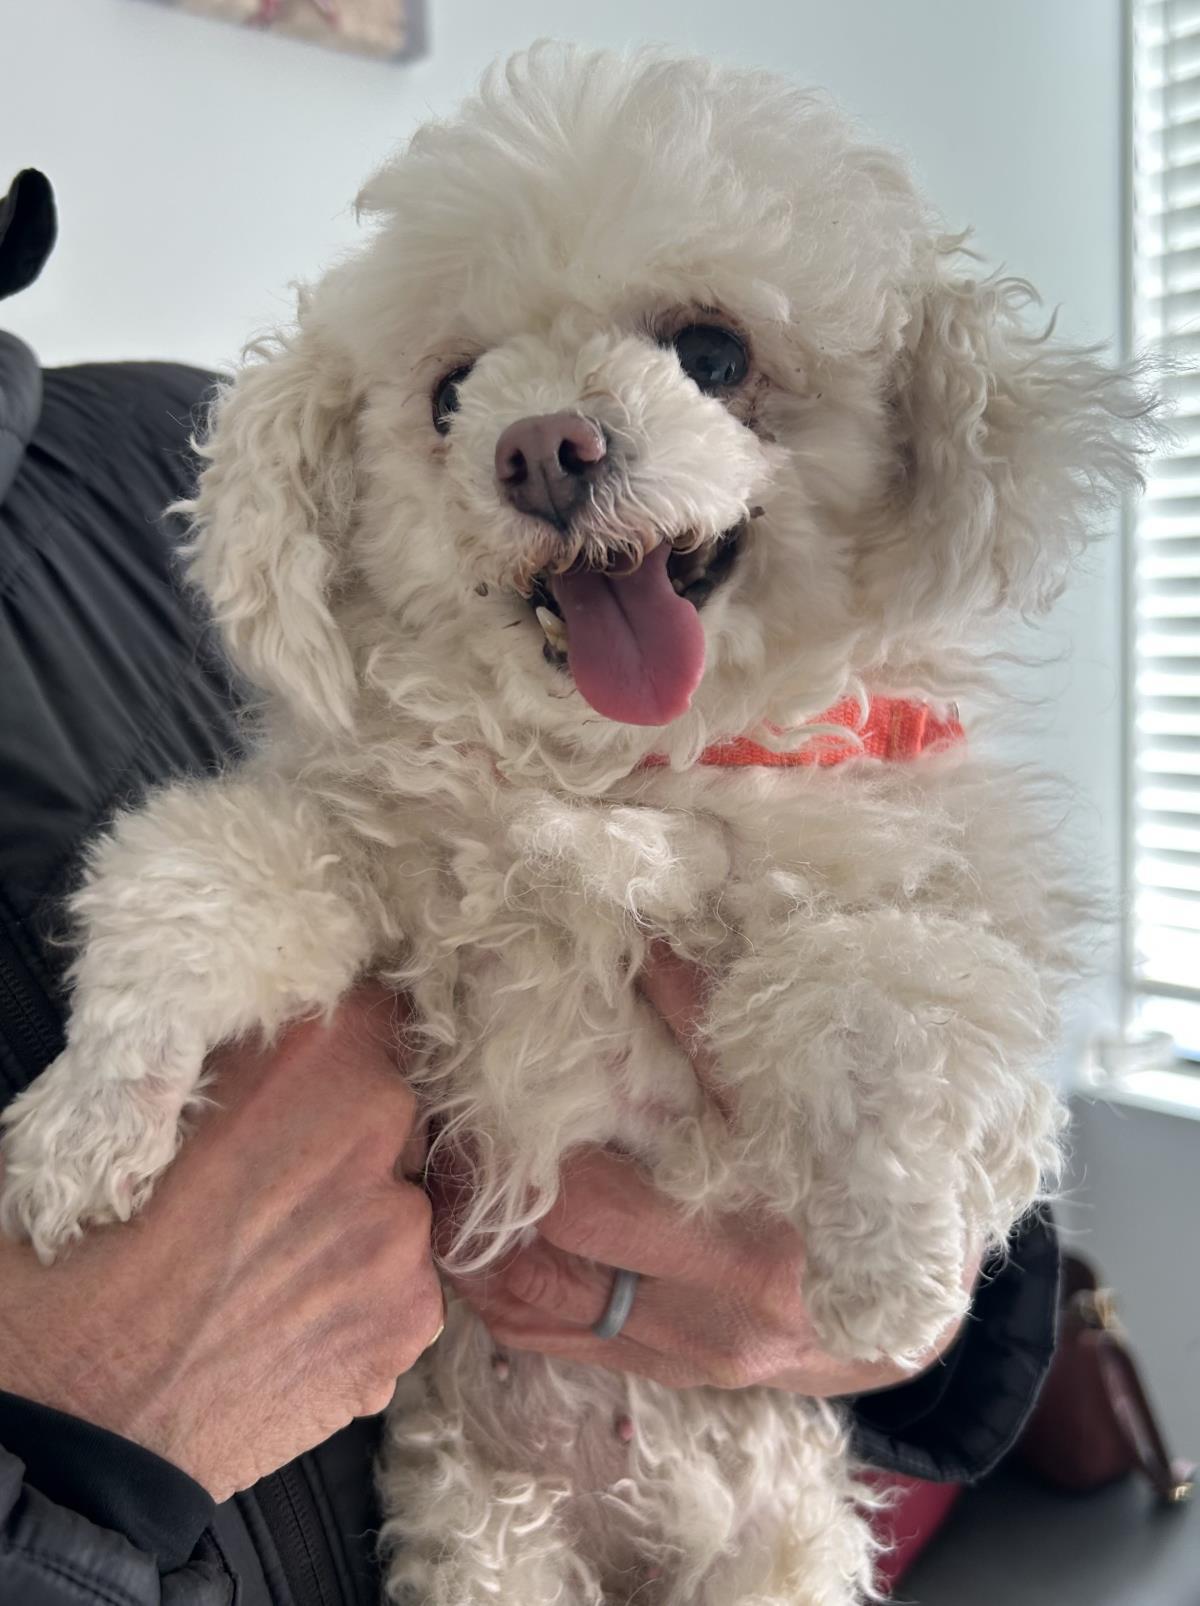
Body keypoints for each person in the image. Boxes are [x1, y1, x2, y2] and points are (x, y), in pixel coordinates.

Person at [0, 170, 1059, 1606]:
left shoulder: (135, 452)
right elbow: (260, 859)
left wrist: (925, 1304)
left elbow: (947, 1186)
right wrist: (71, 1446)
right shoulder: (314, 563)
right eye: (455, 397)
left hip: (763, 1488)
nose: (545, 446)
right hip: (472, 1497)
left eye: (708, 355)